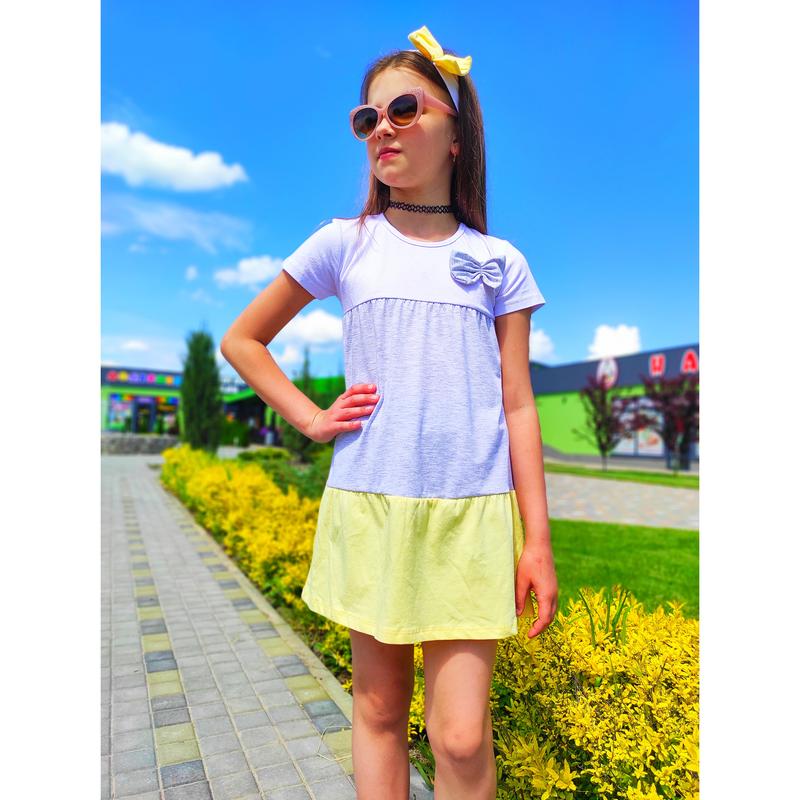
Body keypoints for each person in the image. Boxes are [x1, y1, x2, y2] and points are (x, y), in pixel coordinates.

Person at [221, 24, 558, 800]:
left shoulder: (499, 263)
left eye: (404, 109)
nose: (383, 128)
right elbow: (244, 340)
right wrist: (311, 418)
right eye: (368, 118)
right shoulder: (345, 244)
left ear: (457, 136)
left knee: (461, 736)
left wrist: (536, 539)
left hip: (471, 516)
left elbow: (517, 402)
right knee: (376, 710)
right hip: (370, 506)